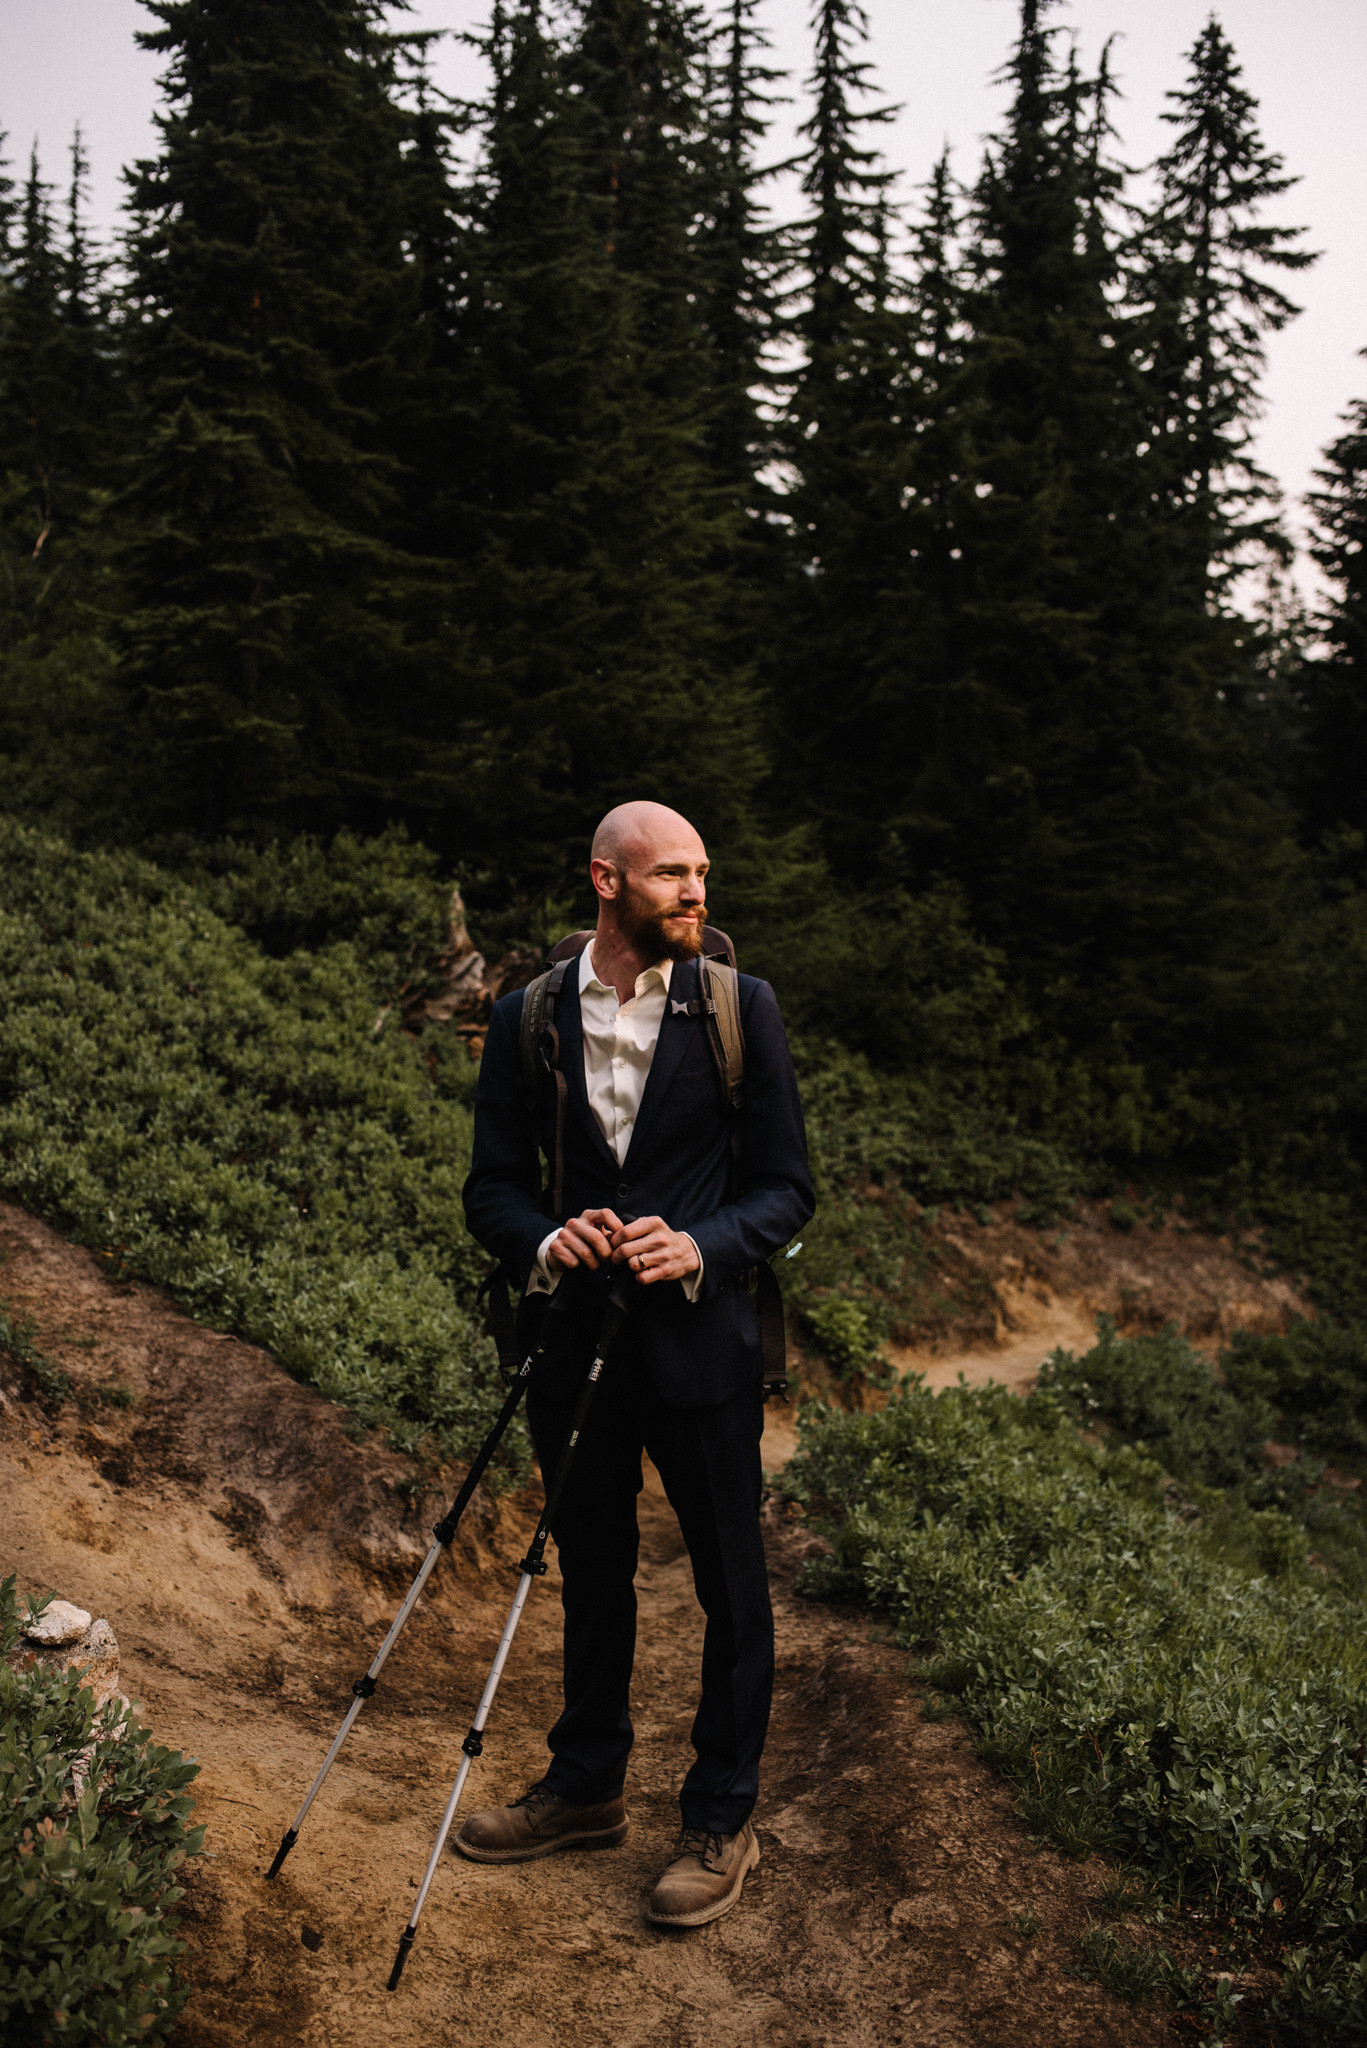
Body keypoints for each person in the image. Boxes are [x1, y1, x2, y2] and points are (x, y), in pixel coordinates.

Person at [459, 800, 814, 1927]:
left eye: (702, 873)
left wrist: (701, 1241)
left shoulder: (737, 1009)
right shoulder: (526, 1021)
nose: (696, 894)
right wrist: (543, 1237)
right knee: (593, 1567)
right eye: (672, 875)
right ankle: (584, 1785)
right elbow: (492, 1189)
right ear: (606, 882)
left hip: (704, 1349)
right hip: (573, 1351)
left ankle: (719, 1816)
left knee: (729, 1588)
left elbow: (785, 1188)